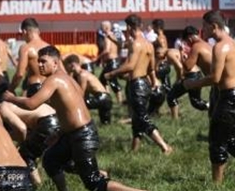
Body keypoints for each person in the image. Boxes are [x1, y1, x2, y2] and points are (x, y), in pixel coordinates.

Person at [5, 45, 151, 191]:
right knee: (51, 160)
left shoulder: (55, 79)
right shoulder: (65, 78)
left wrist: (11, 98)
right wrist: (59, 134)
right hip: (72, 134)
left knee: (92, 182)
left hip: (83, 135)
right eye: (38, 61)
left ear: (55, 63)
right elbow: (69, 109)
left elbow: (31, 104)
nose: (39, 65)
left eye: (43, 62)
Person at [182, 11, 235, 183]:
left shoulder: (220, 47)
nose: (202, 30)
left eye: (204, 26)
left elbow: (215, 77)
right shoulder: (233, 43)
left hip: (229, 99)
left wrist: (192, 84)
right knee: (229, 139)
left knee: (216, 143)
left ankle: (216, 187)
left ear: (214, 27)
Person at [104, 14, 173, 155]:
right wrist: (153, 82)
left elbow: (130, 66)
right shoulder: (148, 44)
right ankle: (134, 150)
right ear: (140, 25)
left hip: (137, 85)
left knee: (142, 118)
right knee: (136, 119)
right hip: (145, 84)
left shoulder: (136, 44)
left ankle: (165, 146)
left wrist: (111, 74)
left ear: (129, 27)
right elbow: (151, 68)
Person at [6, 17, 60, 182]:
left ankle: (32, 169)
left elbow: (20, 73)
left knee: (34, 128)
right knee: (49, 130)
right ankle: (44, 165)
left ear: (24, 31)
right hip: (50, 89)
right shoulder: (49, 48)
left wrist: (10, 90)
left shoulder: (26, 48)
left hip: (36, 88)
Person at [63, 54, 114, 125]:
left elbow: (81, 93)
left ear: (72, 65)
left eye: (66, 65)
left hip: (102, 98)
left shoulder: (82, 75)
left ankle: (77, 123)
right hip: (106, 98)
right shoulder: (83, 73)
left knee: (77, 105)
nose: (65, 68)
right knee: (105, 124)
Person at [96, 20, 124, 103]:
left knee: (113, 81)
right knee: (103, 79)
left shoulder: (107, 36)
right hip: (113, 61)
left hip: (112, 62)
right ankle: (107, 97)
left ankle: (119, 101)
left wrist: (98, 57)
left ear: (106, 27)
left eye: (102, 27)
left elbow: (107, 50)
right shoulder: (113, 36)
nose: (101, 28)